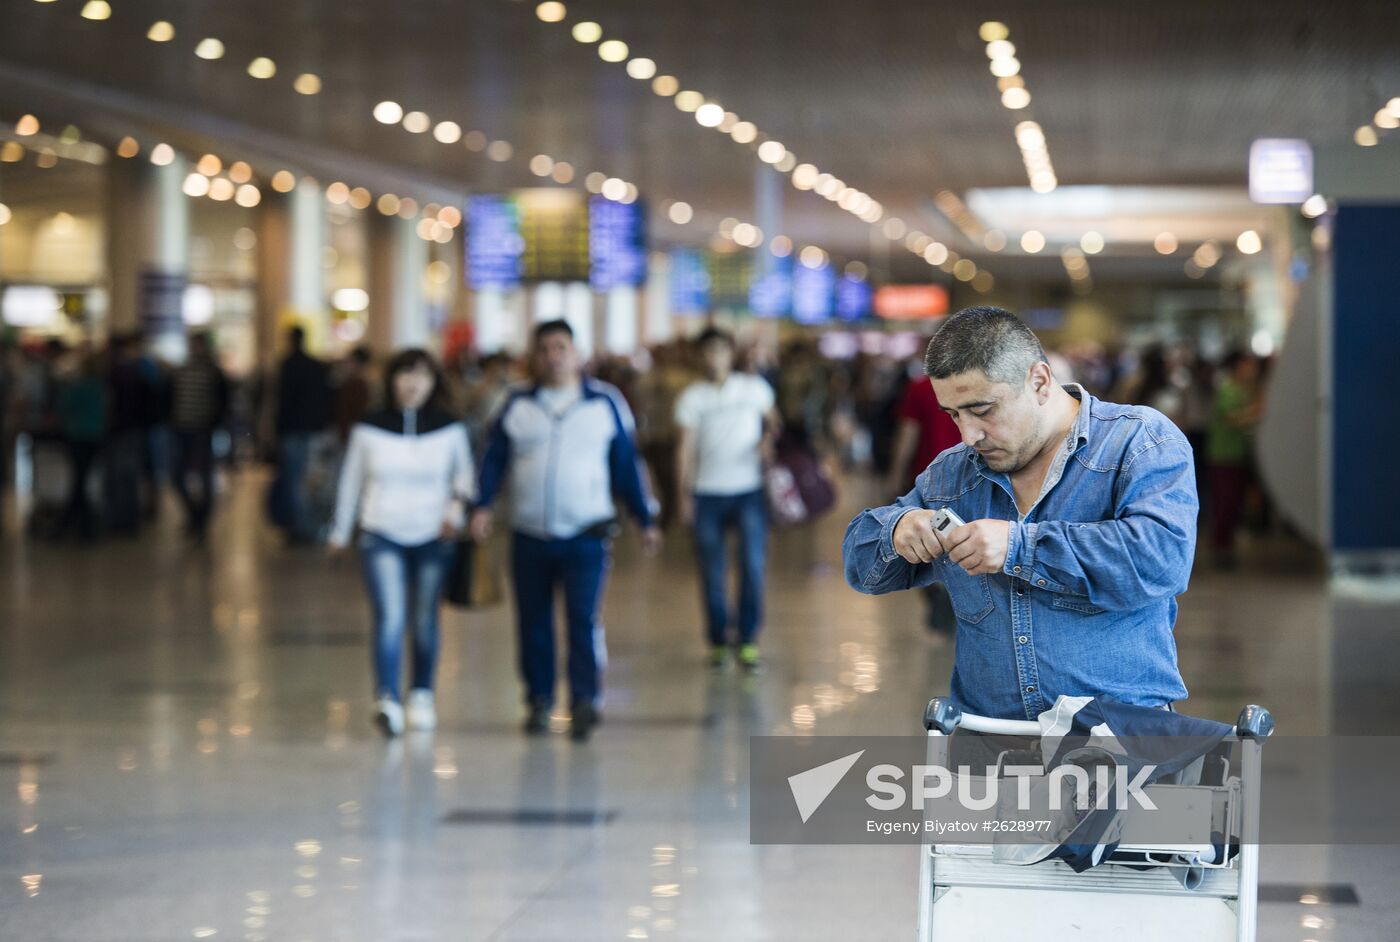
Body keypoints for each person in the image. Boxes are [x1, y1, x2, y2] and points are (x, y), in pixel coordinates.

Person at [842, 307, 1198, 722]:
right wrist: (896, 531)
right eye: (953, 415)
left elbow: (1162, 561)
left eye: (982, 410)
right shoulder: (952, 475)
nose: (968, 435)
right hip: (990, 745)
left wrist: (1019, 546)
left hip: (1119, 740)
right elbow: (861, 566)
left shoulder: (1137, 443)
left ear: (1039, 382)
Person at [470, 320, 660, 742]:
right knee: (533, 621)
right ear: (534, 357)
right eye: (545, 349)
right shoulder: (516, 404)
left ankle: (584, 700)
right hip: (529, 532)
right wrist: (481, 505)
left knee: (582, 620)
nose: (554, 356)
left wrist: (643, 518)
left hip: (586, 534)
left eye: (561, 347)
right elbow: (493, 459)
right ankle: (538, 699)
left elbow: (625, 464)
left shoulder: (604, 403)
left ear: (577, 353)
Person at [329, 349, 475, 737]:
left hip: (434, 535)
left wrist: (454, 515)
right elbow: (351, 482)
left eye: (421, 376)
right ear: (391, 380)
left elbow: (464, 479)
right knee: (391, 617)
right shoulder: (369, 428)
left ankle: (422, 693)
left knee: (426, 618)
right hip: (382, 532)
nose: (412, 384)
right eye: (404, 374)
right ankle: (387, 698)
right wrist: (340, 533)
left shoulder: (450, 428)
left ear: (434, 382)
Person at [674, 328, 780, 670]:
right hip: (706, 494)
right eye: (707, 352)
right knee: (712, 570)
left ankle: (747, 639)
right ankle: (719, 640)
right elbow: (684, 448)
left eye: (719, 351)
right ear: (700, 356)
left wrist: (767, 441)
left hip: (748, 490)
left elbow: (773, 423)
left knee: (752, 565)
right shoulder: (692, 397)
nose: (714, 358)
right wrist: (682, 494)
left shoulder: (753, 389)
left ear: (729, 354)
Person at [884, 353, 964, 635]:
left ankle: (939, 592)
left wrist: (895, 474)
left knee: (929, 545)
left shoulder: (920, 387)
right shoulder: (974, 386)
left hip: (929, 479)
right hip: (972, 478)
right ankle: (959, 603)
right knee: (964, 541)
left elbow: (908, 434)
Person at [273, 326, 333, 543]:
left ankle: (301, 527)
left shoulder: (289, 365)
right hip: (312, 429)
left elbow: (283, 401)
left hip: (294, 430)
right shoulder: (316, 366)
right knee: (307, 481)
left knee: (296, 481)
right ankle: (306, 526)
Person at [169, 333, 230, 542]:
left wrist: (214, 423)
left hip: (203, 431)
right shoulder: (181, 371)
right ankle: (194, 515)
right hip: (182, 429)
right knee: (176, 476)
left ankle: (202, 522)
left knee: (205, 479)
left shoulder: (213, 372)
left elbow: (223, 400)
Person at [1205, 350, 1261, 568]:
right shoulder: (1228, 390)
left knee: (1234, 503)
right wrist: (1257, 412)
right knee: (1225, 504)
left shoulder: (1242, 389)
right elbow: (1231, 418)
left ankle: (1225, 546)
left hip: (1236, 454)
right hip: (1223, 454)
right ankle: (1220, 547)